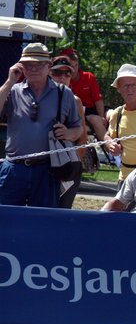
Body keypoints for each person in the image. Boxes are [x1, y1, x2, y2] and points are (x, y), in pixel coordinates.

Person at [0, 43, 82, 208]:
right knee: (6, 220)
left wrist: (68, 133)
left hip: (47, 170)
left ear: (48, 66)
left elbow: (78, 129)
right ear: (21, 67)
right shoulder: (13, 90)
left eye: (39, 64)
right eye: (29, 65)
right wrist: (9, 82)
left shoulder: (63, 93)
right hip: (14, 168)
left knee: (43, 221)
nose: (34, 69)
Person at [48, 56, 89, 209]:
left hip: (67, 165)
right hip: (44, 165)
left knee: (62, 209)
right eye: (58, 73)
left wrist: (70, 167)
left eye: (67, 74)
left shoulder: (75, 100)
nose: (63, 77)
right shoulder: (40, 97)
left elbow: (82, 138)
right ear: (49, 73)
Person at [60, 48, 107, 142]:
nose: (74, 69)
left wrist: (102, 117)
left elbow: (98, 100)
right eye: (70, 66)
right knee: (95, 120)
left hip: (90, 110)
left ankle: (112, 150)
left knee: (112, 114)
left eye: (76, 65)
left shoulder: (89, 77)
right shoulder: (61, 79)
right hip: (73, 112)